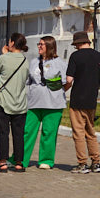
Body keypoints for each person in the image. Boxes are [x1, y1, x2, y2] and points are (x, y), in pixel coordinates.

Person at [65, 31, 100, 174]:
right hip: (92, 99)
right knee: (90, 131)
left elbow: (69, 80)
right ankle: (96, 162)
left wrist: (61, 88)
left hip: (77, 99)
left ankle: (82, 163)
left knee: (78, 132)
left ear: (77, 43)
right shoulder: (99, 56)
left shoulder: (75, 56)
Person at [22, 35, 66, 169]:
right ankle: (20, 159)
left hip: (53, 104)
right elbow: (28, 80)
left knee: (49, 132)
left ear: (50, 46)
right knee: (28, 131)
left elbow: (66, 82)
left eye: (42, 44)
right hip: (34, 102)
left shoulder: (60, 63)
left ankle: (46, 160)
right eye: (39, 44)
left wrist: (57, 92)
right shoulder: (34, 61)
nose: (39, 47)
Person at [0, 33, 30, 172]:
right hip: (20, 102)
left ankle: (3, 162)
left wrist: (4, 54)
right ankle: (19, 162)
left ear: (12, 43)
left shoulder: (4, 58)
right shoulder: (25, 60)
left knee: (3, 132)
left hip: (4, 100)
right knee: (18, 134)